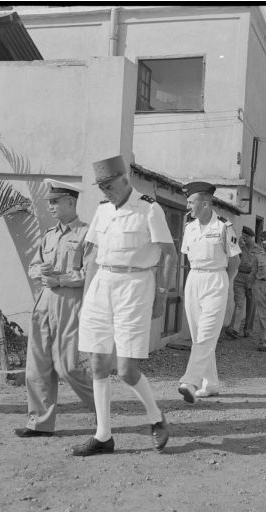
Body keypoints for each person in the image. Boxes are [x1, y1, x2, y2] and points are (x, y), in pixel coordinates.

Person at [71, 155, 177, 456]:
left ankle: (156, 419)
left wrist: (161, 295)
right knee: (98, 363)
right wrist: (87, 300)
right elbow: (92, 256)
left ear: (124, 178)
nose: (105, 191)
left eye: (109, 185)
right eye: (101, 187)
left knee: (127, 369)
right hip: (102, 284)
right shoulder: (103, 210)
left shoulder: (149, 209)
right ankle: (103, 435)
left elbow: (170, 255)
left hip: (135, 286)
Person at [15, 179, 96, 438]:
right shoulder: (49, 235)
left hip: (70, 304)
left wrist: (60, 278)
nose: (50, 206)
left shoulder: (87, 234)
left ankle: (101, 406)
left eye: (56, 201)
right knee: (37, 366)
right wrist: (42, 271)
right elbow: (33, 266)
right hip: (44, 303)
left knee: (69, 366)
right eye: (49, 202)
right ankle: (39, 423)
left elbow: (91, 273)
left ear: (71, 202)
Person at [177, 182, 241, 402]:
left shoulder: (224, 226)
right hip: (194, 278)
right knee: (199, 335)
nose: (188, 206)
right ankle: (211, 383)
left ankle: (191, 381)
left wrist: (229, 287)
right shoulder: (189, 227)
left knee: (206, 334)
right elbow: (187, 254)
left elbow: (234, 261)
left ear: (204, 203)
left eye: (191, 202)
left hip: (216, 279)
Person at [226, 225, 260, 338]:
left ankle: (248, 330)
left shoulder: (258, 250)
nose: (244, 238)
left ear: (252, 237)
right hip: (240, 276)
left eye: (247, 237)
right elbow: (233, 258)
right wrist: (239, 247)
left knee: (251, 305)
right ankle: (234, 329)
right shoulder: (239, 247)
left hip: (252, 278)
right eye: (243, 236)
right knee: (239, 303)